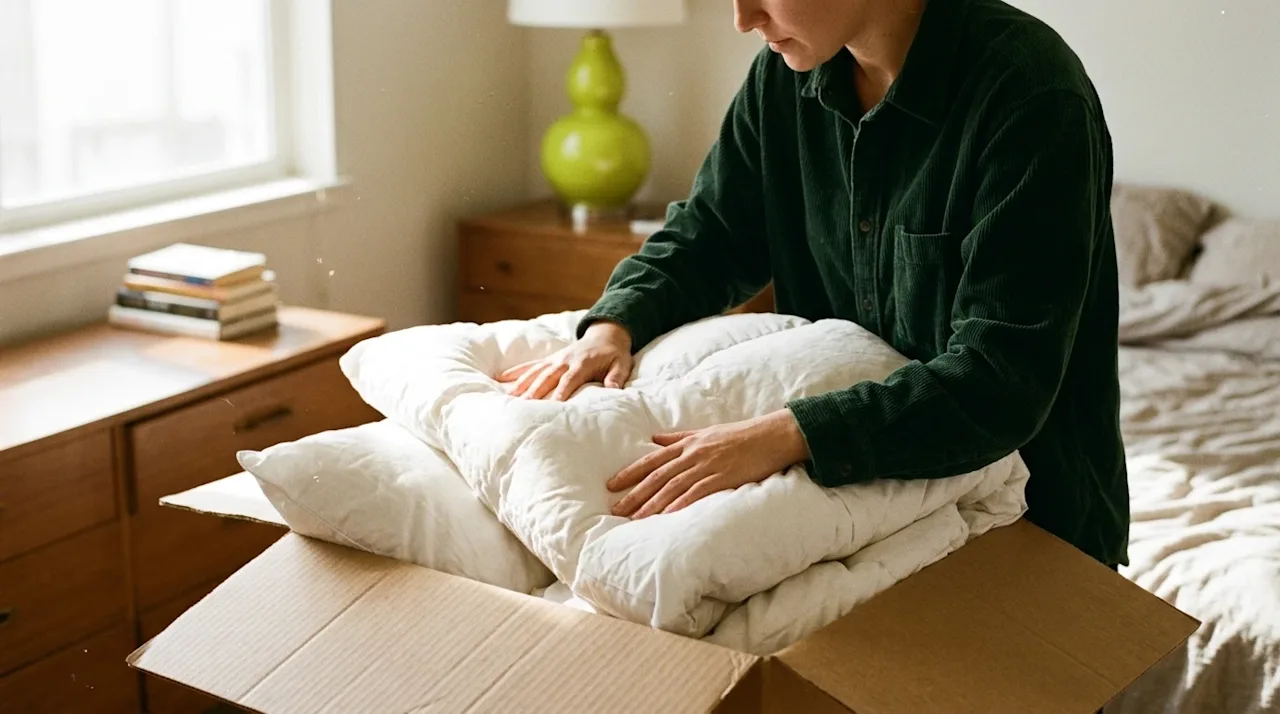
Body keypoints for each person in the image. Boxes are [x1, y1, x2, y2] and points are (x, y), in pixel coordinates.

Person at [496, 0, 1128, 569]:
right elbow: (712, 233)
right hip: (863, 516)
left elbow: (1002, 380)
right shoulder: (784, 78)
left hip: (1032, 526)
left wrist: (783, 435)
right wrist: (615, 324)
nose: (743, 19)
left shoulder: (1031, 94)